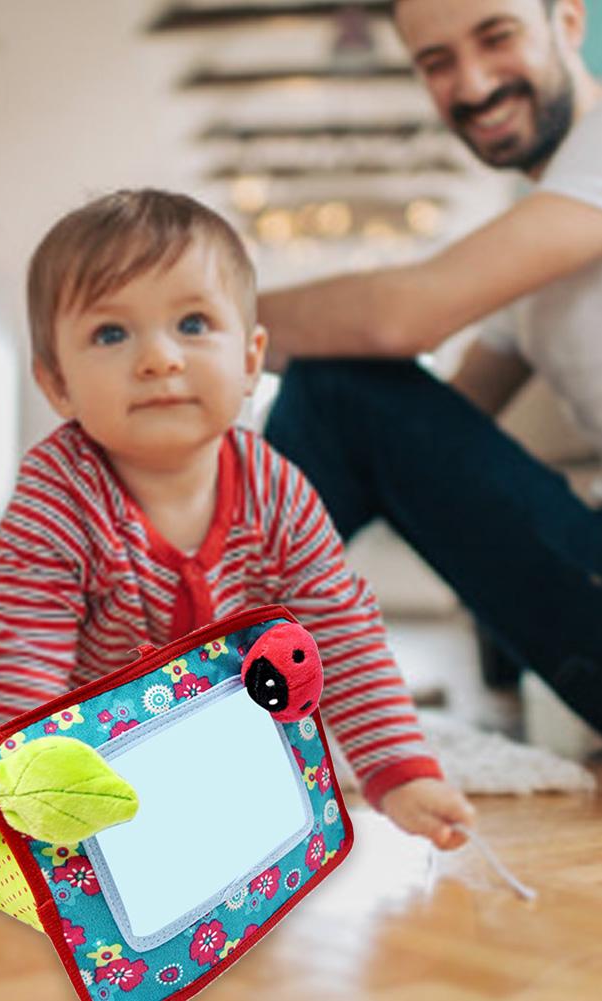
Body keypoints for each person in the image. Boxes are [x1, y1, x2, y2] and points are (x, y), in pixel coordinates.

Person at [0, 188, 476, 849]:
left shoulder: (276, 488)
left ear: (250, 361)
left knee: (259, 771)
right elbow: (24, 654)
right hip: (48, 703)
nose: (159, 358)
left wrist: (399, 774)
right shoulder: (57, 498)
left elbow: (341, 630)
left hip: (188, 710)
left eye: (192, 324)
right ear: (57, 385)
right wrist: (29, 790)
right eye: (111, 333)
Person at [259, 0, 602, 735]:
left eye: (495, 37)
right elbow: (433, 428)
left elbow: (401, 318)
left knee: (334, 392)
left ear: (567, 22)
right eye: (436, 62)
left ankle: (172, 672)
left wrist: (179, 320)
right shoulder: (544, 217)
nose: (472, 84)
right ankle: (183, 649)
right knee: (341, 398)